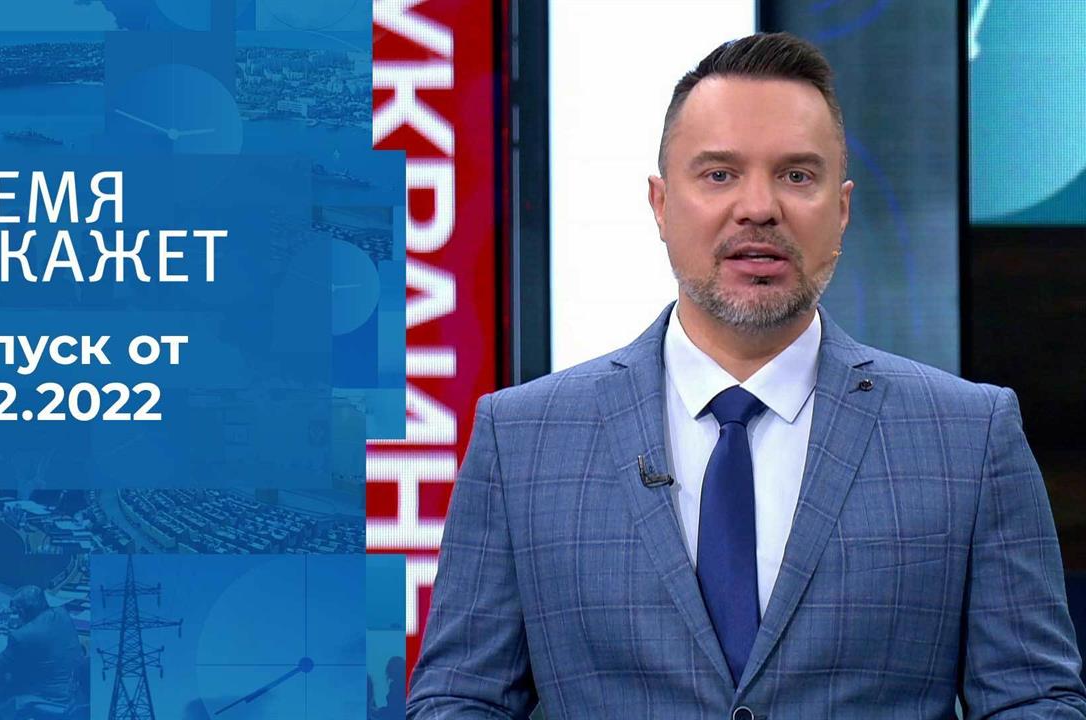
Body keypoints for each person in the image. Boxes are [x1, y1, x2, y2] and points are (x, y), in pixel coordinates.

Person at [408, 33, 1086, 719]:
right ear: (660, 204)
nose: (759, 207)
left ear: (842, 209)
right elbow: (459, 700)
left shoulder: (968, 437)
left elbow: (1034, 701)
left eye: (797, 176)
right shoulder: (522, 439)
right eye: (719, 174)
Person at [0, 586, 85, 720]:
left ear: (22, 611)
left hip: (48, 700)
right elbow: (43, 635)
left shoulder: (21, 636)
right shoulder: (61, 613)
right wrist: (17, 630)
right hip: (74, 697)